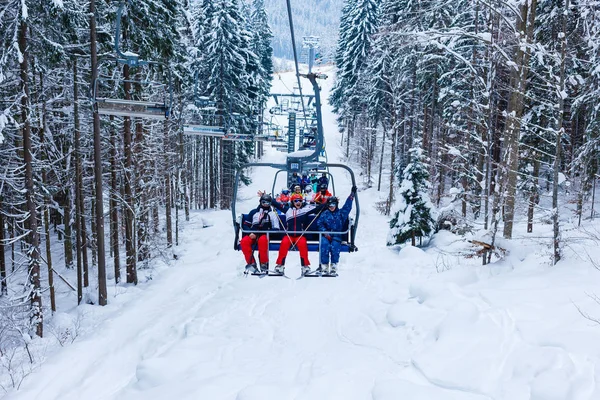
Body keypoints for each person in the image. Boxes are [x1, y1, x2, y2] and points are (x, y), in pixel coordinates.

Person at [271, 193, 326, 275]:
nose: (298, 202)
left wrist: (327, 203)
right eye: (296, 201)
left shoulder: (305, 210)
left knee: (303, 245)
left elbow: (317, 209)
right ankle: (280, 265)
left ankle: (305, 266)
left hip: (300, 235)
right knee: (284, 244)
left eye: (300, 200)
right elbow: (277, 205)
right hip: (289, 235)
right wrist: (268, 198)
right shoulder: (287, 210)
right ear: (292, 202)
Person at [317, 186, 357, 275]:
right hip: (326, 235)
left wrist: (352, 195)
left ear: (336, 205)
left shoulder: (341, 214)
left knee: (335, 246)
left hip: (336, 235)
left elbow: (347, 207)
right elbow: (319, 223)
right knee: (324, 245)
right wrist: (324, 231)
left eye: (333, 205)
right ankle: (324, 265)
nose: (331, 207)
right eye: (329, 205)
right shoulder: (324, 214)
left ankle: (334, 265)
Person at [240, 193, 280, 273]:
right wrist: (250, 233)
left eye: (268, 203)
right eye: (264, 202)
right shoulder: (253, 212)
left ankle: (263, 263)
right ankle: (252, 263)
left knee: (263, 241)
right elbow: (246, 225)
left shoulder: (272, 214)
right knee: (244, 242)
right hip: (253, 234)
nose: (265, 204)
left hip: (264, 234)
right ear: (260, 202)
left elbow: (276, 228)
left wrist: (267, 232)